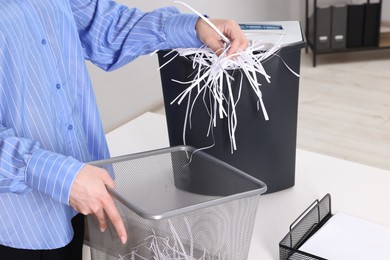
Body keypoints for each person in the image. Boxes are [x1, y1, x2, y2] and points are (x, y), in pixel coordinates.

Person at [0, 0, 248, 259]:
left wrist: (195, 27)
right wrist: (57, 175)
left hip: (78, 194)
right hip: (16, 220)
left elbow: (102, 26)